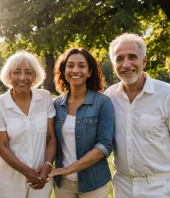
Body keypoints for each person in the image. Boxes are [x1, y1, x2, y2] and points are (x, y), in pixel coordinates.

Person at [105, 33, 170, 198]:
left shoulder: (166, 94)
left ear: (144, 61)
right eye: (119, 59)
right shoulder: (109, 97)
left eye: (132, 57)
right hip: (123, 186)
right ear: (114, 65)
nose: (126, 64)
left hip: (160, 187)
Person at [0, 51, 56, 198]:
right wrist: (29, 173)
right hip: (9, 179)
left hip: (42, 176)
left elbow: (51, 137)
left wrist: (47, 166)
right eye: (16, 72)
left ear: (35, 76)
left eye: (28, 72)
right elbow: (1, 146)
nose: (22, 77)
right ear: (9, 75)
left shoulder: (45, 98)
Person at [51, 47, 114, 197]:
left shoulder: (103, 103)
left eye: (82, 66)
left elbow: (104, 146)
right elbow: (46, 137)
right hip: (63, 184)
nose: (75, 70)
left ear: (90, 72)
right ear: (64, 70)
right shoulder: (56, 104)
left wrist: (69, 169)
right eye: (70, 65)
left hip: (94, 183)